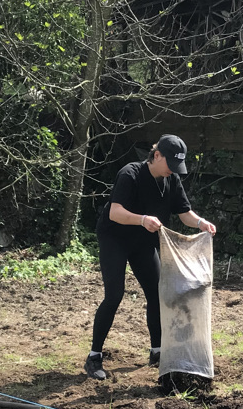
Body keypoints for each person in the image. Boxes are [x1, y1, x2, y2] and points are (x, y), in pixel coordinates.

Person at [85, 134, 217, 380]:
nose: (173, 171)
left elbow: (184, 212)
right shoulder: (130, 174)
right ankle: (94, 356)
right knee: (114, 295)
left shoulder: (171, 179)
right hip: (115, 238)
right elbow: (115, 212)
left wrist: (201, 223)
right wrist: (143, 219)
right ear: (157, 155)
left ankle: (157, 351)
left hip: (143, 243)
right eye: (171, 164)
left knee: (157, 293)